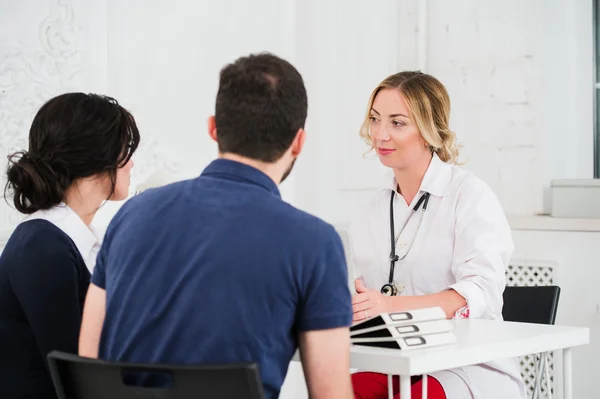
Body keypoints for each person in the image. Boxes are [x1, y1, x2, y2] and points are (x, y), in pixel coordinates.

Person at [78, 53, 354, 399]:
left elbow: (87, 366)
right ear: (299, 141)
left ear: (214, 128)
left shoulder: (133, 214)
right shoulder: (316, 243)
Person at [347, 71, 527, 399]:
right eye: (375, 120)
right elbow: (367, 301)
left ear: (429, 130)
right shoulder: (368, 212)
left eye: (397, 123)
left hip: (466, 366)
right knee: (337, 391)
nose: (381, 134)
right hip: (397, 360)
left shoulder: (470, 196)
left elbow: (477, 292)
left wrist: (389, 305)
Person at [0, 93, 140, 399]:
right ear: (94, 159)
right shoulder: (41, 247)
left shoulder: (80, 240)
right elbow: (77, 377)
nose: (130, 164)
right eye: (123, 153)